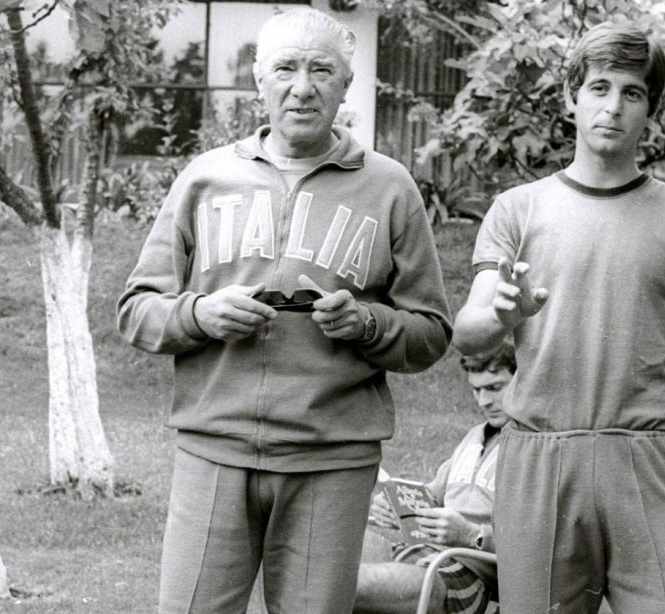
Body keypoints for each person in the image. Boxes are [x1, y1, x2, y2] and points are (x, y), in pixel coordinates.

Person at [117, 7, 451, 613]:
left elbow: (431, 333)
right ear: (258, 79)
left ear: (346, 85)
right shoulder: (205, 179)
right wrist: (200, 315)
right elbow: (136, 310)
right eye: (286, 68)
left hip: (334, 459)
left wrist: (367, 324)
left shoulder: (389, 187)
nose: (303, 86)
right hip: (213, 450)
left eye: (322, 69)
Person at [453, 21, 665, 614]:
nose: (612, 106)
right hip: (539, 460)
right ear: (572, 97)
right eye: (599, 87)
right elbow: (468, 329)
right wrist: (502, 315)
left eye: (632, 93)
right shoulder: (518, 210)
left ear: (650, 110)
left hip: (647, 462)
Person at [354, 343, 515, 614]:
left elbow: (542, 544)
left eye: (494, 388)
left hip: (465, 573)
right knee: (329, 553)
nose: (483, 401)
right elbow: (431, 497)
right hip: (420, 554)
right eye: (476, 390)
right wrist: (396, 507)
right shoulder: (474, 437)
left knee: (344, 585)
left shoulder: (535, 449)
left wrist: (472, 535)